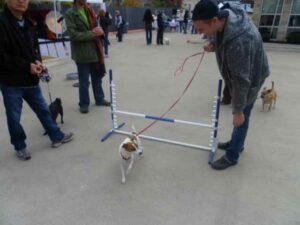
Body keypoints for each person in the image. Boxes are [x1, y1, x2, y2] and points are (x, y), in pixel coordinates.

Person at [192, 0, 270, 170]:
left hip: (252, 77)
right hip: (245, 70)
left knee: (241, 117)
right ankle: (237, 143)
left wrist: (238, 110)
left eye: (201, 29)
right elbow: (220, 34)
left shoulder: (239, 40)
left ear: (214, 20)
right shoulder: (224, 15)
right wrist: (213, 44)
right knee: (241, 116)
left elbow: (242, 80)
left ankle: (232, 155)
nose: (200, 34)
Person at [0, 0, 73, 160]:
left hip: (31, 80)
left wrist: (38, 61)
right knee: (14, 118)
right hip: (11, 83)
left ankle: (56, 136)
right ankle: (20, 146)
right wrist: (27, 65)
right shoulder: (2, 23)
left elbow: (33, 49)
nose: (21, 1)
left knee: (44, 111)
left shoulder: (28, 23)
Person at [65, 0, 110, 114]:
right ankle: (84, 103)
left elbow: (95, 27)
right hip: (82, 53)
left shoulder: (89, 9)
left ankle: (99, 99)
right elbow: (73, 35)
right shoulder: (70, 13)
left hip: (94, 51)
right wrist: (93, 33)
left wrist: (99, 31)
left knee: (97, 78)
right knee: (84, 81)